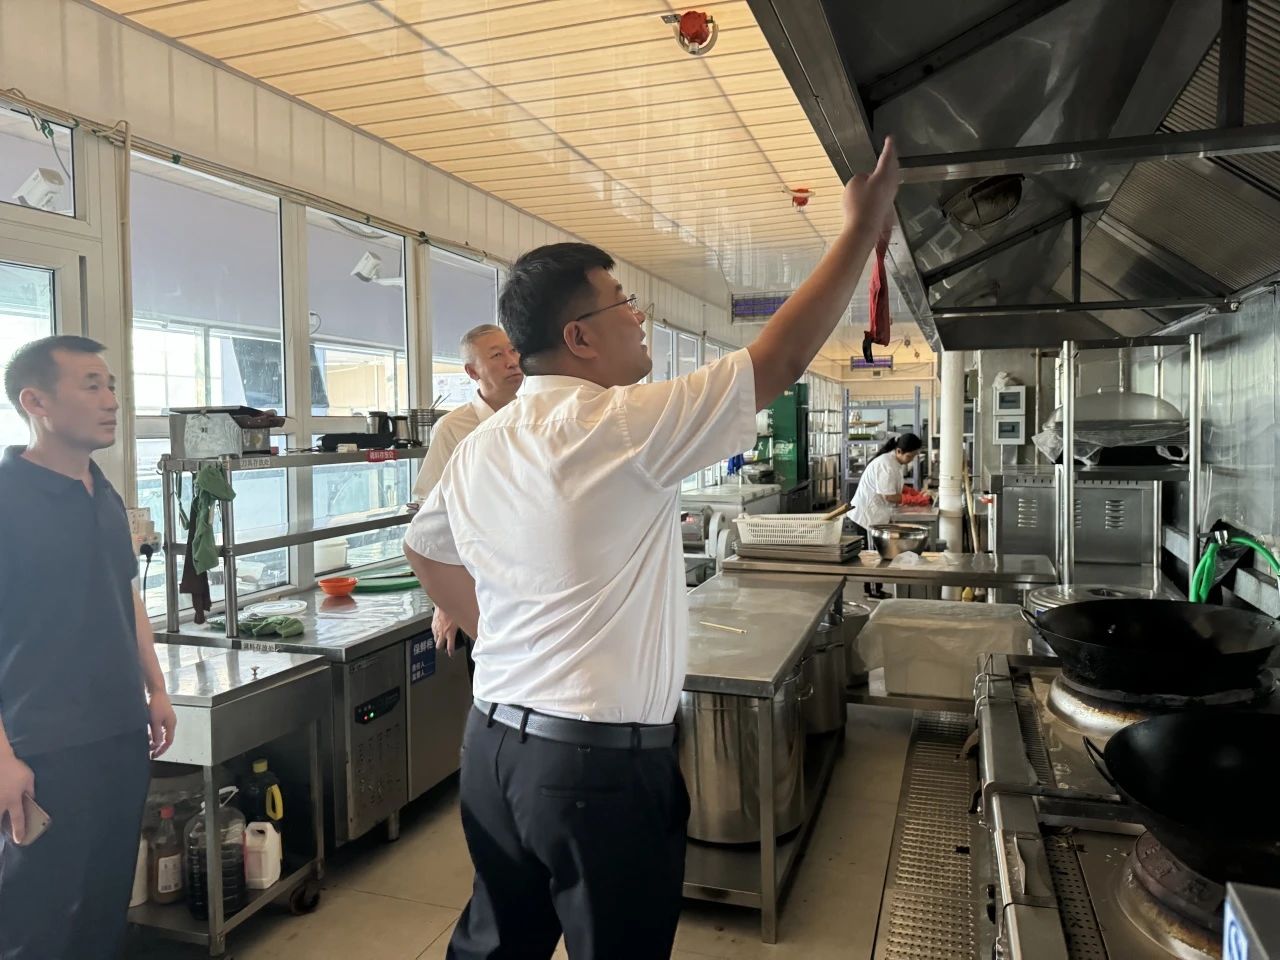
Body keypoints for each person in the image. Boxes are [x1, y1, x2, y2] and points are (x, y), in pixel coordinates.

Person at [404, 138, 899, 959]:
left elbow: (425, 549)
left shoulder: (487, 442)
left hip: (492, 748)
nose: (640, 317)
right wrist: (860, 228)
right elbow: (779, 358)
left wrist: (501, 638)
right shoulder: (618, 424)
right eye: (624, 303)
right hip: (593, 774)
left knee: (496, 947)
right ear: (580, 337)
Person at [0, 335, 177, 960]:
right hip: (44, 743)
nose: (111, 401)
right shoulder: (7, 498)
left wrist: (156, 688)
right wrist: (2, 756)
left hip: (119, 731)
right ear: (36, 401)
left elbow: (125, 595)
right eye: (91, 386)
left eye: (112, 387)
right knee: (38, 916)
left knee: (104, 902)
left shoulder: (100, 489)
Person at [410, 324, 523, 660]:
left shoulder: (535, 417)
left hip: (530, 579)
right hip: (479, 586)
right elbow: (430, 518)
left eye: (513, 350)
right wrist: (445, 603)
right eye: (497, 355)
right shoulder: (454, 428)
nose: (511, 361)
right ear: (473, 372)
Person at [850, 431, 926, 542]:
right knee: (869, 552)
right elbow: (889, 496)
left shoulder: (895, 462)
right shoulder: (886, 464)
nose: (911, 459)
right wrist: (912, 499)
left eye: (913, 456)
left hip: (876, 515)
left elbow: (894, 485)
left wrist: (913, 493)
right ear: (899, 451)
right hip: (866, 517)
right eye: (909, 456)